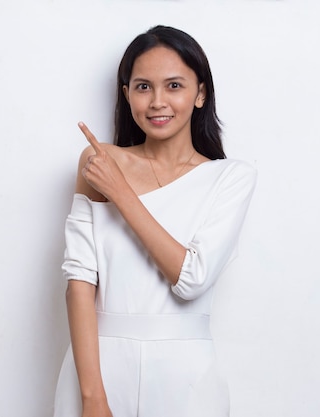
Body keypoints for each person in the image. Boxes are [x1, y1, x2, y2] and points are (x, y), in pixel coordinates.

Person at [53, 25, 256, 417]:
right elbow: (79, 282)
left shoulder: (230, 177)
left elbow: (191, 279)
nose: (157, 101)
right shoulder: (99, 161)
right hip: (98, 371)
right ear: (126, 94)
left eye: (174, 86)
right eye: (143, 87)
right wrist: (93, 398)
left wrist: (123, 194)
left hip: (187, 377)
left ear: (200, 94)